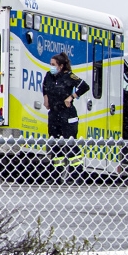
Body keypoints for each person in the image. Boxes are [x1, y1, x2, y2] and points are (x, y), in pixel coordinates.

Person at [41, 52, 91, 182]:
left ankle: (76, 175)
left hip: (67, 114)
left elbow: (84, 86)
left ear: (61, 66)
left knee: (70, 144)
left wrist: (72, 97)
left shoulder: (69, 76)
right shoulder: (49, 76)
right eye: (50, 64)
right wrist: (46, 99)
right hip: (54, 113)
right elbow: (45, 87)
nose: (51, 66)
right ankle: (56, 175)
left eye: (53, 64)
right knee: (55, 144)